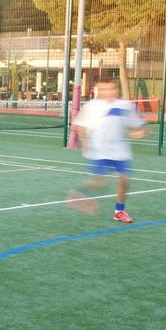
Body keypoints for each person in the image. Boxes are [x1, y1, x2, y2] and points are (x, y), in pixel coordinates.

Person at [67, 77, 147, 223]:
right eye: (104, 89)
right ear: (98, 90)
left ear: (117, 89)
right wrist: (85, 142)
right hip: (99, 150)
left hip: (120, 151)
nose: (109, 92)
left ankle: (119, 212)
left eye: (112, 88)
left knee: (124, 180)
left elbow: (133, 126)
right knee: (99, 182)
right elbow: (80, 126)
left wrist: (138, 132)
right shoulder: (91, 106)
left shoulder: (126, 105)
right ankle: (78, 193)